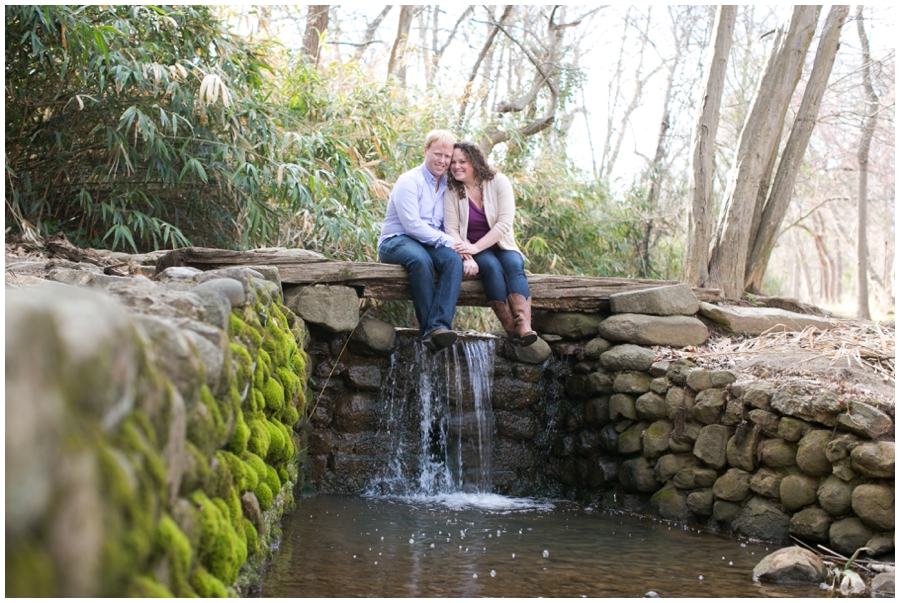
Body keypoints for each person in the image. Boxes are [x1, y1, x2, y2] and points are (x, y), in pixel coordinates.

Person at [443, 141, 538, 346]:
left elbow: (505, 222)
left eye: (462, 161)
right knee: (492, 268)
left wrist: (477, 247)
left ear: (475, 162)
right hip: (471, 246)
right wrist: (469, 253)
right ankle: (511, 329)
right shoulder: (452, 190)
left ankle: (525, 325)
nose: (456, 166)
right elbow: (450, 229)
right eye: (453, 162)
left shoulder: (498, 181)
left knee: (514, 265)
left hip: (501, 243)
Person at [378, 130, 463, 352]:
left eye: (447, 157)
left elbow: (449, 225)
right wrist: (447, 240)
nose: (442, 161)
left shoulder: (447, 186)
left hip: (427, 243)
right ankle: (429, 331)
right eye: (437, 154)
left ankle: (440, 326)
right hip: (395, 241)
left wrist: (464, 250)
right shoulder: (409, 181)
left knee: (453, 261)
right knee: (420, 260)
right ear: (425, 151)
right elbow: (412, 226)